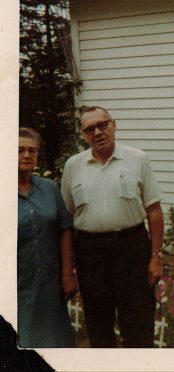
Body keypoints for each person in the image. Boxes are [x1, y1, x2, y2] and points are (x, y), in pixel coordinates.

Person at [61, 106, 164, 348]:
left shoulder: (138, 159)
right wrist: (68, 269)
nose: (97, 132)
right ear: (84, 135)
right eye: (90, 129)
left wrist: (156, 256)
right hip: (90, 253)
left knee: (138, 323)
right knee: (98, 325)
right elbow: (67, 218)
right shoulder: (73, 166)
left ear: (113, 125)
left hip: (132, 248)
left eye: (102, 125)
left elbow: (154, 210)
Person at [17, 127, 76, 348]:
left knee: (56, 342)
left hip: (49, 284)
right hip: (18, 283)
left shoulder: (49, 189)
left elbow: (65, 230)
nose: (26, 155)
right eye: (20, 150)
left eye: (32, 150)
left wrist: (67, 274)